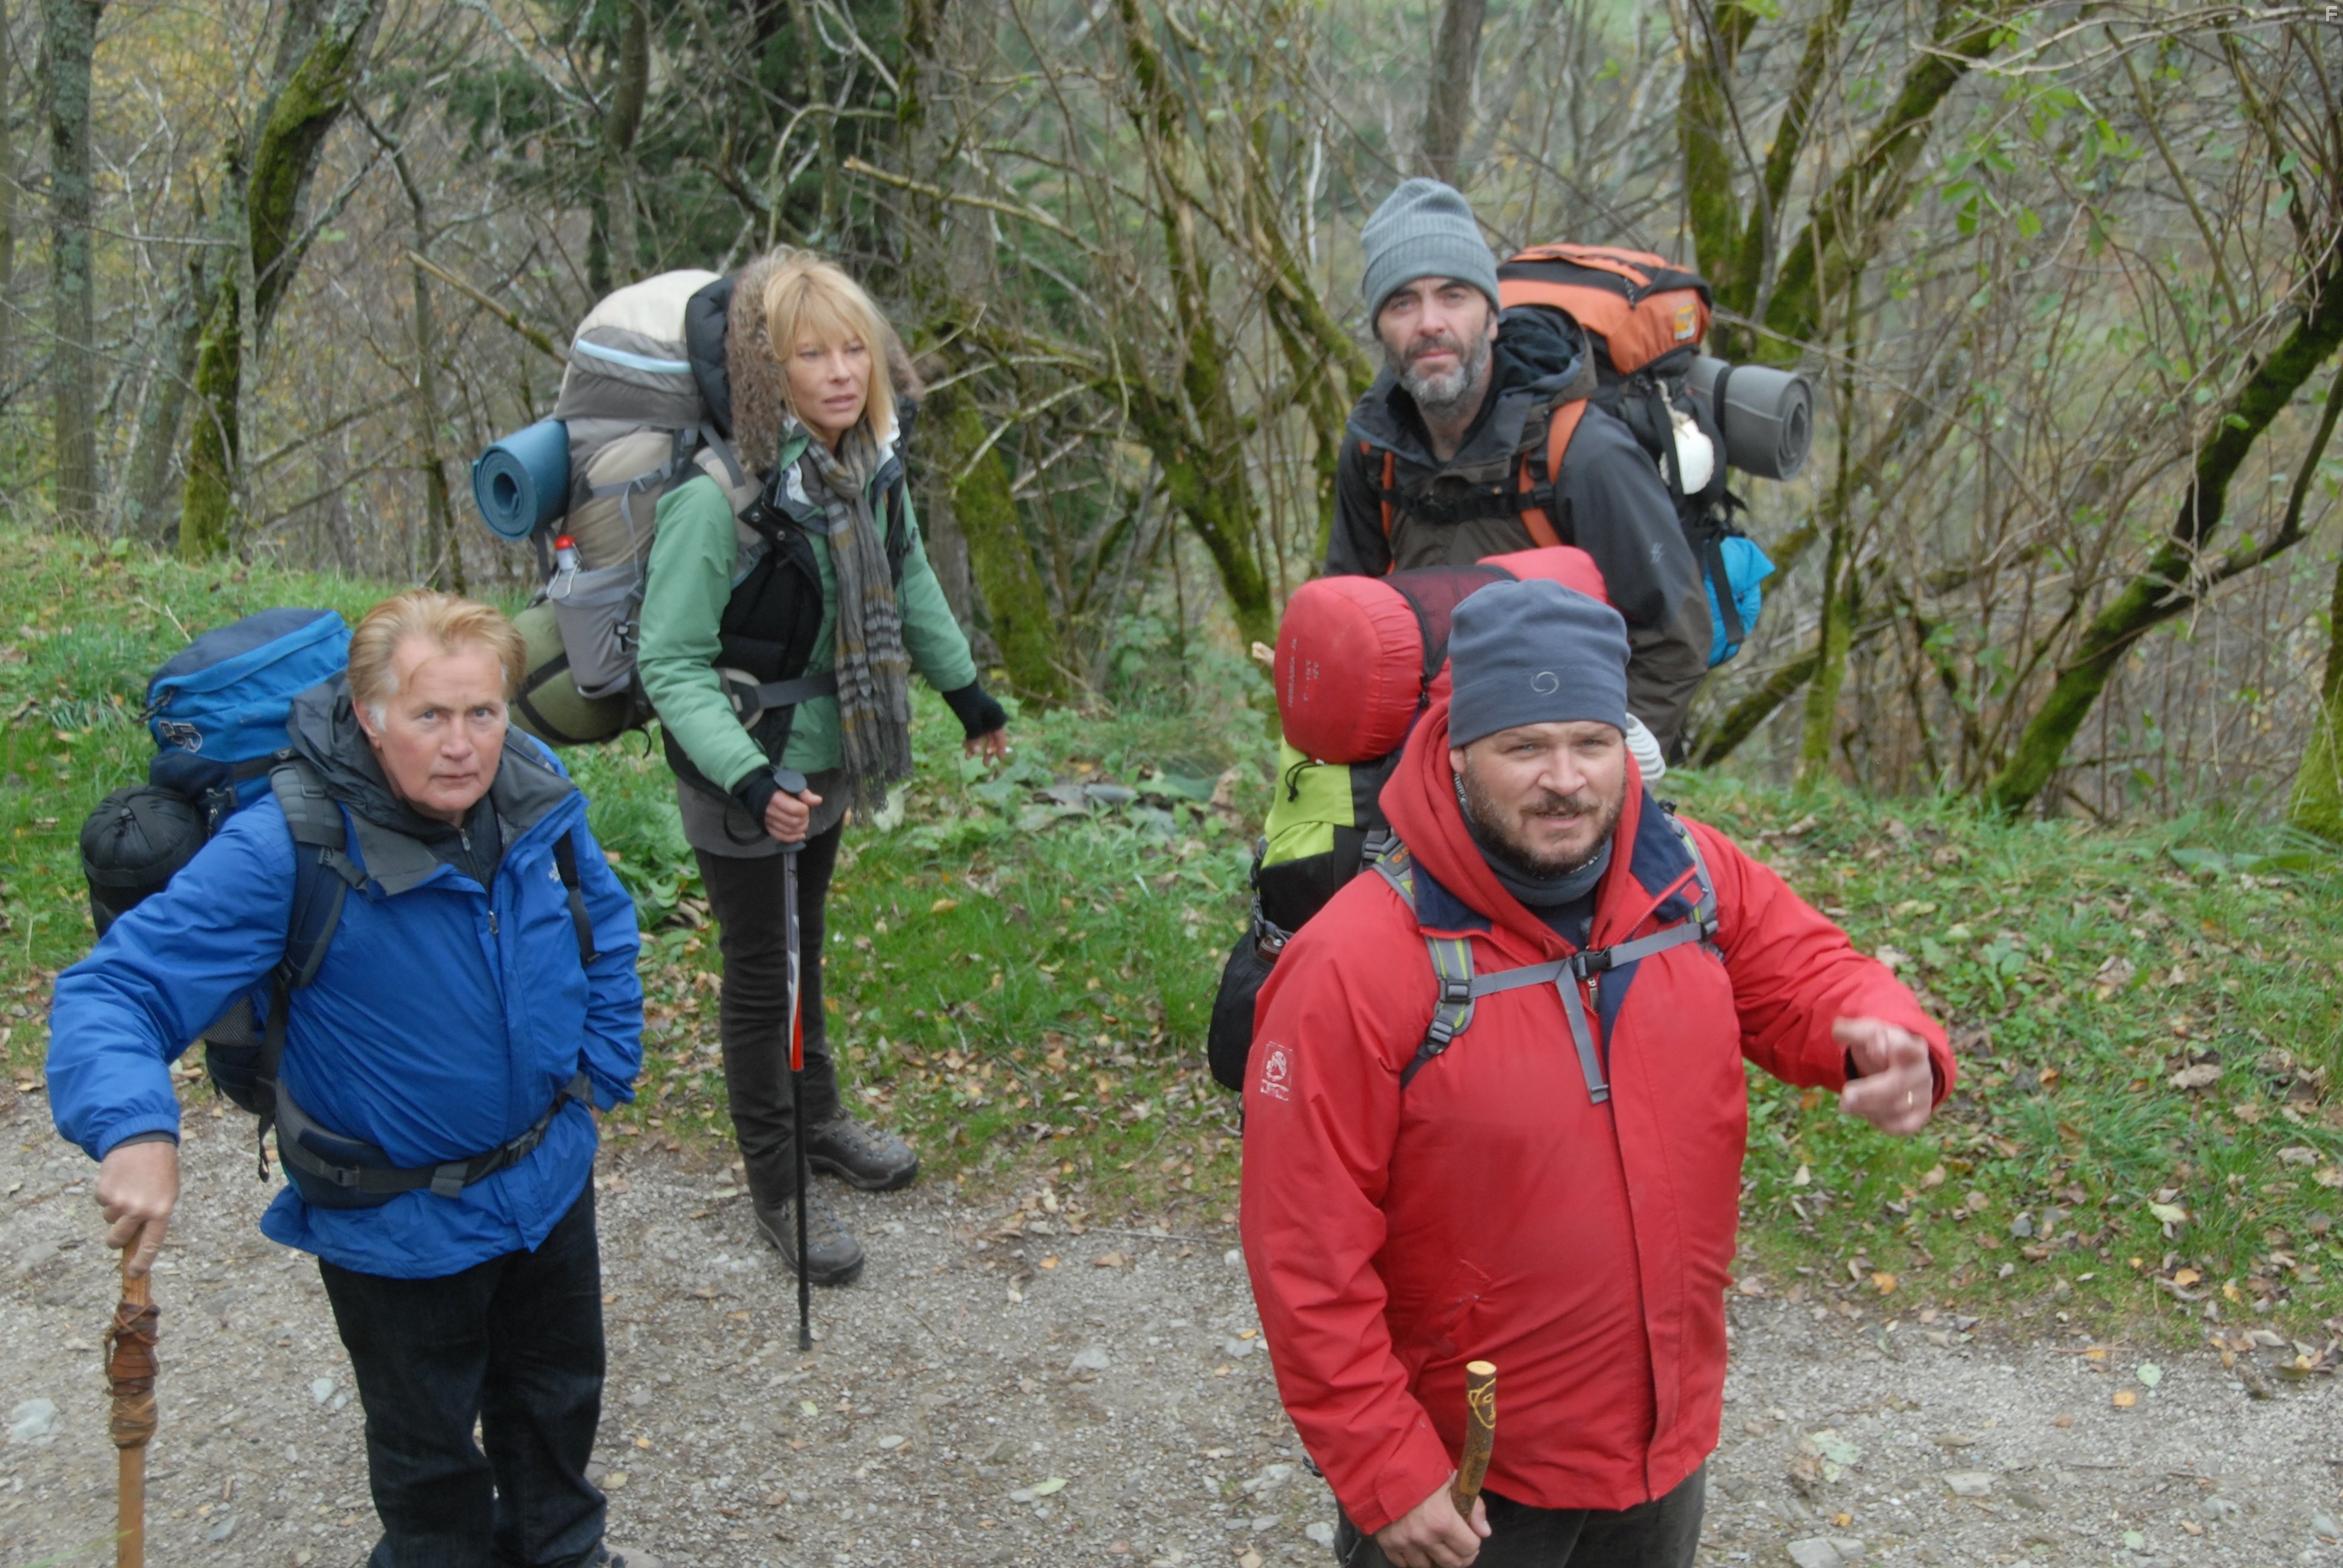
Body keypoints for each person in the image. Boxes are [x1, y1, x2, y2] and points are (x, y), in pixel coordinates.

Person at [1239, 578, 1954, 1568]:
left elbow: (1814, 972)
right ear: (1457, 751)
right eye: (1524, 747)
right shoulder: (1357, 961)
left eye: (1591, 741)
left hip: (1662, 1440)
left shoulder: (1688, 878)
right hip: (1469, 1474)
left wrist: (1889, 1037)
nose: (1565, 779)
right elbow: (1302, 1246)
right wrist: (1383, 1466)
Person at [49, 591, 647, 1568]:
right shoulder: (286, 846)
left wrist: (604, 1068)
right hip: (394, 1218)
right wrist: (136, 1130)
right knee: (429, 1459)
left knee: (557, 1401)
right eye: (428, 715)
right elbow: (116, 990)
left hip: (546, 1177)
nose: (462, 745)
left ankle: (564, 1552)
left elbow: (601, 917)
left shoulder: (530, 786)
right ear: (369, 715)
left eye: (482, 712)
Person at [637, 249, 1009, 1286]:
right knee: (764, 969)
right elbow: (669, 661)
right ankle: (778, 1182)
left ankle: (819, 1116)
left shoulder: (864, 469)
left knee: (804, 943)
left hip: (829, 752)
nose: (842, 372)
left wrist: (965, 693)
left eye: (855, 349)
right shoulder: (717, 498)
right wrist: (749, 781)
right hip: (743, 765)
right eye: (812, 354)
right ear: (769, 371)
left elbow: (908, 576)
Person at [1327, 178, 1711, 754]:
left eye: (1454, 296)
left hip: (1563, 757)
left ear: (1491, 317)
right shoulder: (1373, 453)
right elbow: (1347, 621)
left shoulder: (1582, 453)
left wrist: (1607, 759)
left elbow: (1676, 637)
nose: (1429, 323)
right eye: (1402, 303)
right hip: (1429, 749)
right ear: (1379, 328)